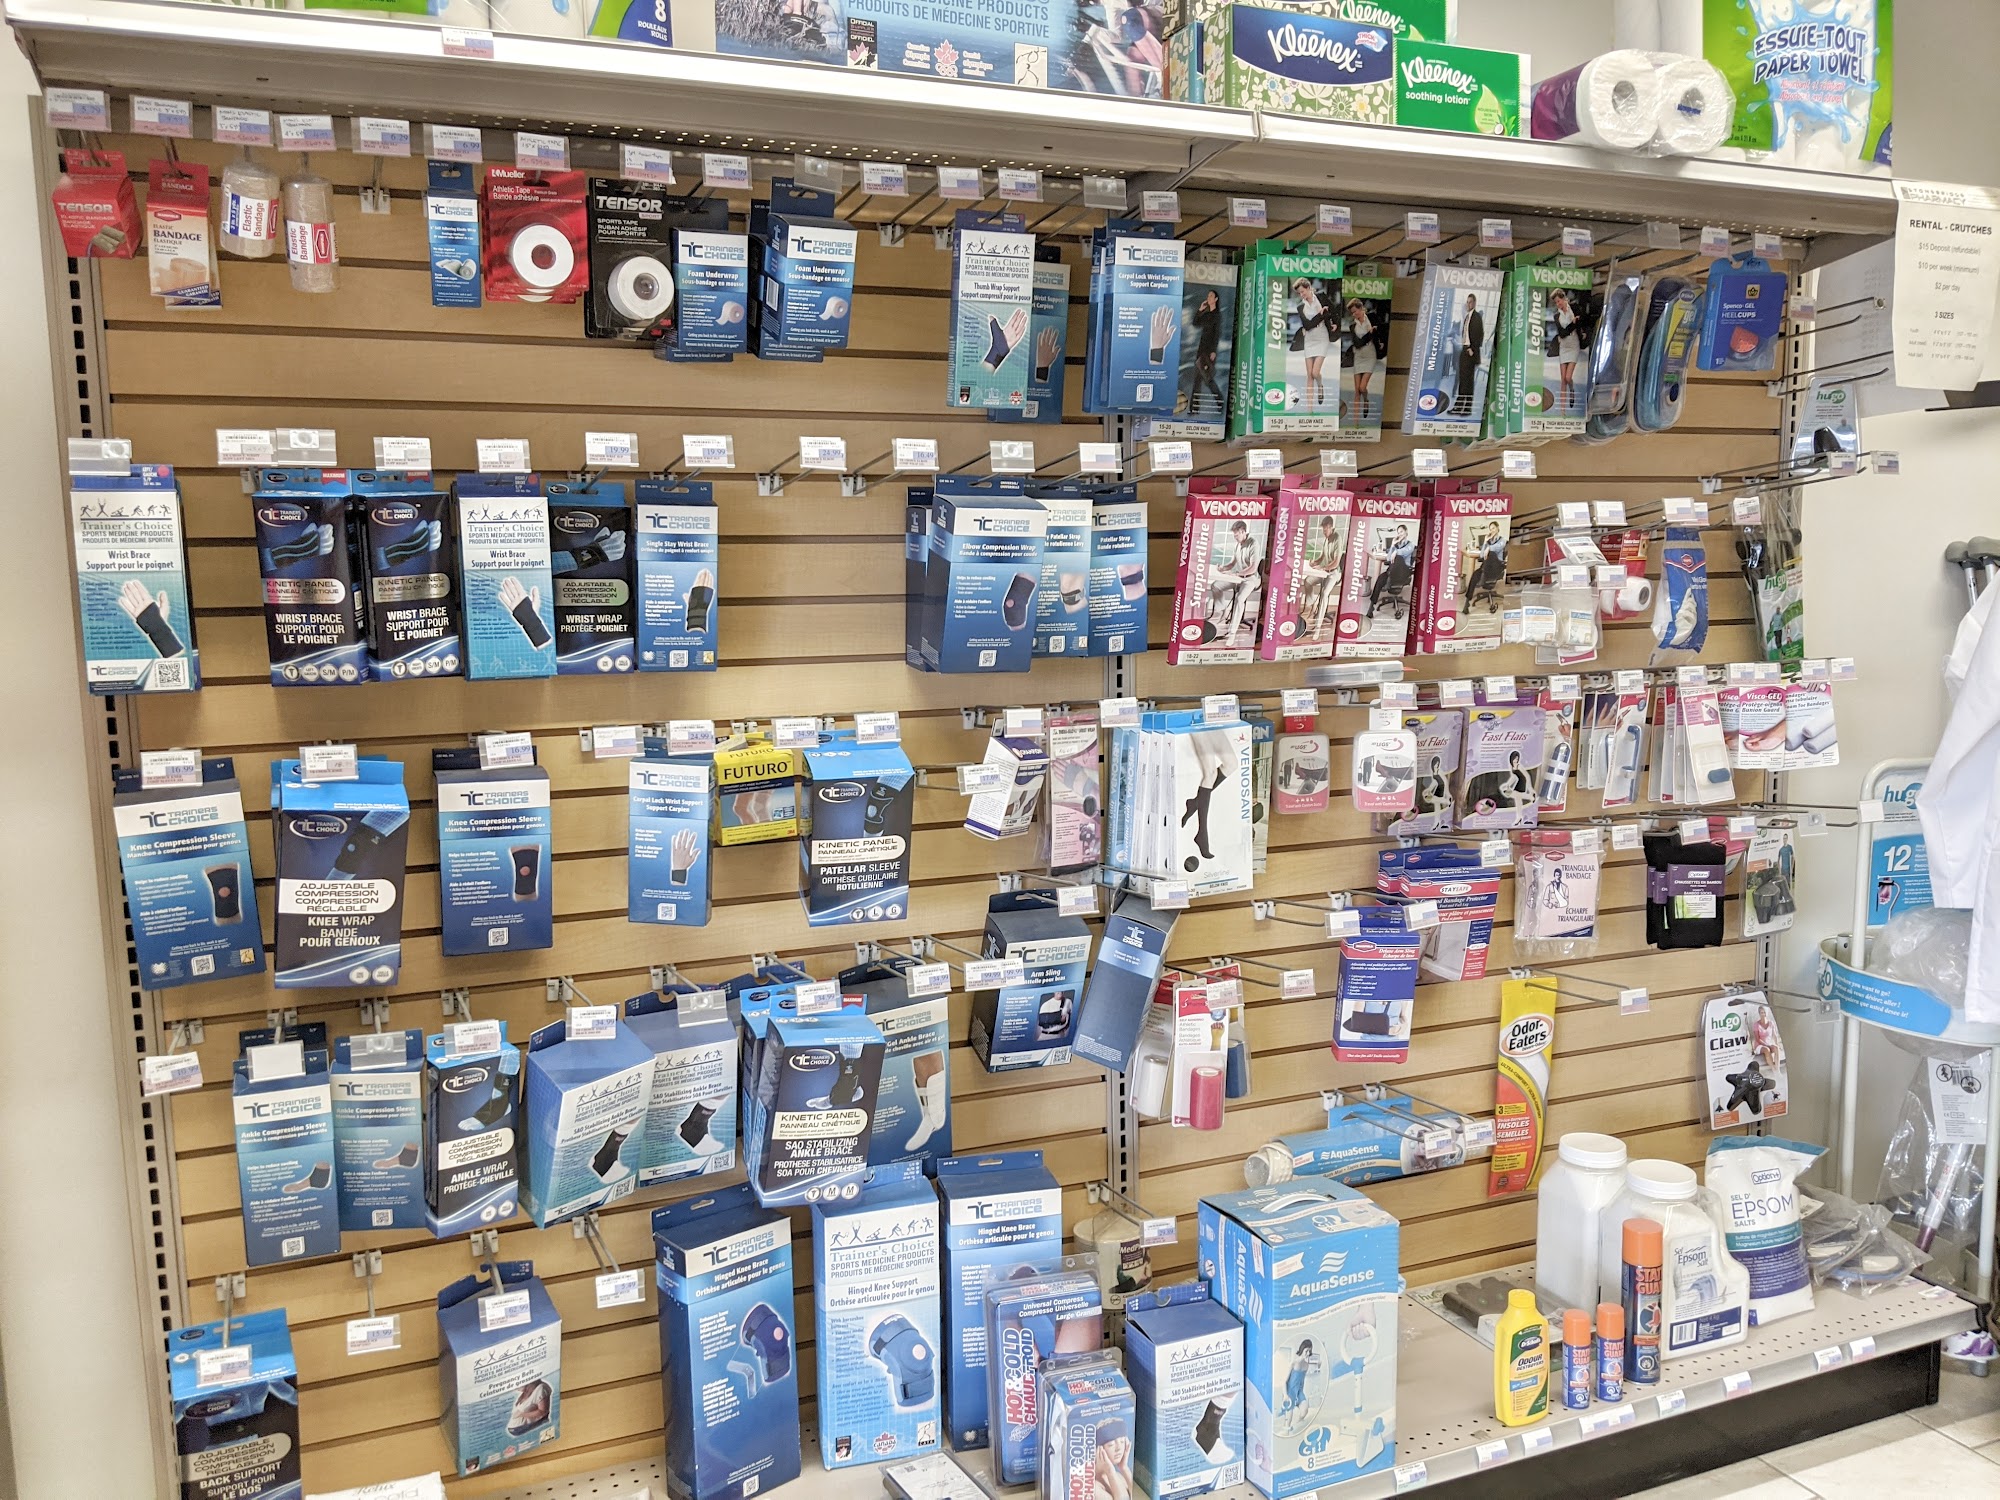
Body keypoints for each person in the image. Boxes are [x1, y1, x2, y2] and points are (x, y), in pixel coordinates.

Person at [1206, 519, 1260, 645]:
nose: (1235, 537)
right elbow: (1232, 563)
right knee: (1216, 586)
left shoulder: (1253, 544)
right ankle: (1223, 610)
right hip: (1238, 578)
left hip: (1251, 579)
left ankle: (1232, 634)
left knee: (1240, 599)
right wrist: (1223, 568)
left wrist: (1236, 574)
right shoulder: (1238, 545)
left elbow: (1253, 567)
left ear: (1243, 531)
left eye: (1236, 534)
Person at [1182, 288, 1225, 417]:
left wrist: (1213, 351)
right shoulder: (1206, 314)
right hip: (1201, 349)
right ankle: (1194, 409)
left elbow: (1216, 334)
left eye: (1211, 296)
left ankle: (1220, 401)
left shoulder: (1217, 315)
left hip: (1209, 351)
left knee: (1208, 379)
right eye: (1208, 295)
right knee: (1197, 380)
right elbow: (1195, 323)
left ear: (1216, 299)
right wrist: (1200, 310)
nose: (1208, 297)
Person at [1293, 280, 1334, 409]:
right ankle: (1309, 409)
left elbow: (1332, 312)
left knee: (1315, 373)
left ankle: (1320, 385)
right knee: (1309, 375)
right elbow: (1307, 325)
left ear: (1309, 288)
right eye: (1299, 293)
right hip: (1309, 339)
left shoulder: (1321, 297)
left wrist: (1333, 323)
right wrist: (1321, 314)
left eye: (1302, 292)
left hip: (1322, 337)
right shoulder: (1301, 306)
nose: (1301, 295)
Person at [1367, 524, 1414, 618]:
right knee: (1380, 578)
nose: (1400, 534)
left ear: (1406, 532)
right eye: (1398, 533)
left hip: (1403, 572)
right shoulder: (1396, 545)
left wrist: (1396, 552)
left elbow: (1404, 552)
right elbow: (1388, 558)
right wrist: (1393, 545)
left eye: (1401, 532)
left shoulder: (1410, 545)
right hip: (1392, 572)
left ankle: (1389, 579)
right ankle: (1371, 608)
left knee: (1399, 558)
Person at [1548, 290, 1582, 413]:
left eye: (1559, 301)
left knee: (1568, 377)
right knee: (1563, 379)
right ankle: (1562, 410)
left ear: (1563, 299)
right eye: (1556, 302)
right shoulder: (1557, 316)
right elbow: (1562, 333)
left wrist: (1574, 325)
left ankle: (1571, 389)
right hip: (1563, 347)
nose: (1558, 304)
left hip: (1574, 345)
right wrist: (1573, 324)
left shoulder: (1575, 308)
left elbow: (1581, 323)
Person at [1345, 297, 1377, 420]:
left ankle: (1366, 400)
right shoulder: (1353, 326)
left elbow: (1381, 333)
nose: (1354, 314)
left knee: (1362, 387)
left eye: (1355, 311)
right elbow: (1358, 343)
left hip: (1370, 356)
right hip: (1358, 357)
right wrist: (1370, 334)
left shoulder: (1372, 319)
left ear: (1361, 308)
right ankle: (1356, 422)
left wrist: (1377, 338)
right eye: (1352, 313)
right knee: (1357, 391)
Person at [1454, 292, 1484, 416]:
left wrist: (1472, 349)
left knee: (1469, 381)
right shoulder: (1467, 316)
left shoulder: (1476, 317)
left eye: (1470, 302)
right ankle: (1458, 406)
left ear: (1474, 303)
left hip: (1470, 352)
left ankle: (1467, 409)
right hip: (1464, 350)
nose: (1468, 304)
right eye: (1467, 302)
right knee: (1462, 379)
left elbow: (1480, 335)